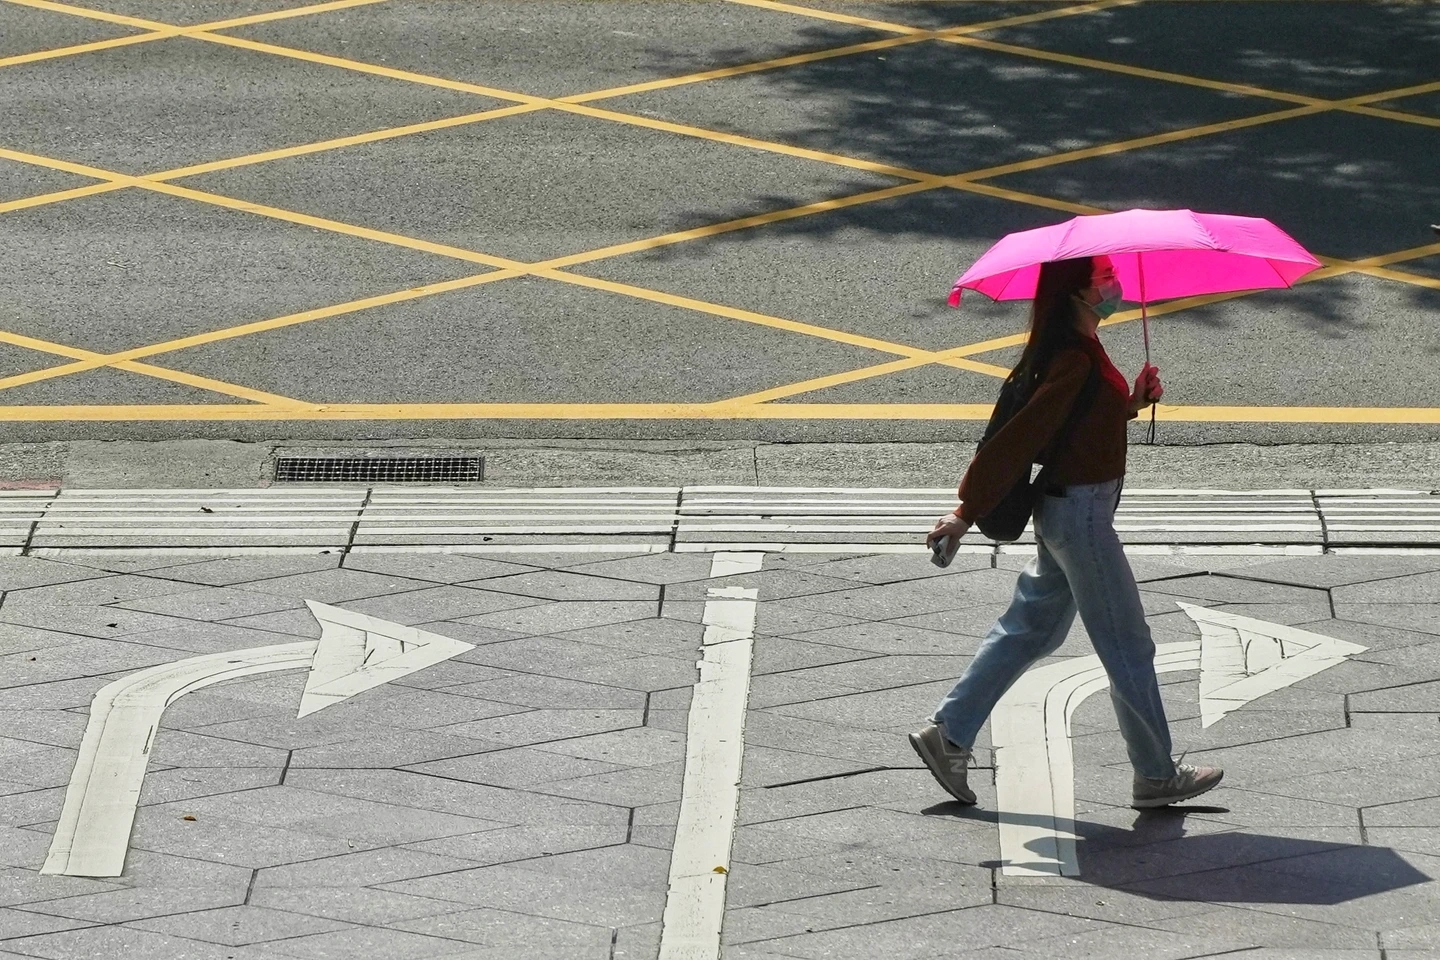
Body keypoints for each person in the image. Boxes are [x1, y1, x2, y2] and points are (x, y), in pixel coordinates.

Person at [911, 255, 1223, 809]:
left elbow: (1075, 428)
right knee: (1128, 644)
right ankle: (1154, 775)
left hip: (1071, 513)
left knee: (1031, 630)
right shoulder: (1073, 358)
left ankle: (949, 732)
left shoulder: (1078, 350)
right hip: (1080, 517)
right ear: (1078, 294)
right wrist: (965, 513)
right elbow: (1016, 440)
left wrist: (1130, 404)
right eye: (1105, 279)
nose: (1116, 286)